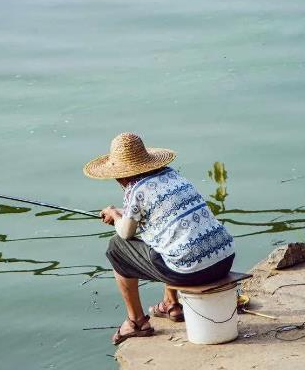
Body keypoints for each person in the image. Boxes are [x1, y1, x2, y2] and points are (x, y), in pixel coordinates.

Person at [83, 133, 235, 345]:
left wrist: (116, 215)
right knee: (170, 236)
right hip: (224, 260)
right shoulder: (172, 176)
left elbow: (126, 233)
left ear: (121, 176)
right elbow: (160, 218)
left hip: (192, 272)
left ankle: (136, 322)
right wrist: (122, 214)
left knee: (117, 248)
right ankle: (171, 305)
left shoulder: (135, 189)